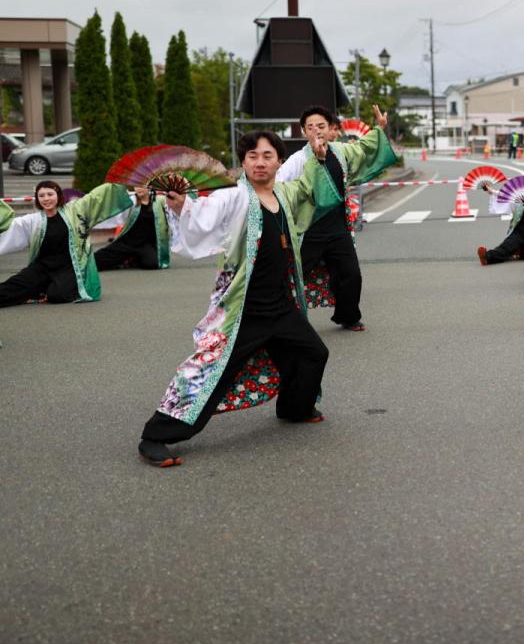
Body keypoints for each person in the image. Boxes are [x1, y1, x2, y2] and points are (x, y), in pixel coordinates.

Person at [137, 130, 343, 467]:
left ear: (279, 161)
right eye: (252, 157)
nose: (259, 163)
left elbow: (315, 192)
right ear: (243, 162)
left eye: (266, 156)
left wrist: (320, 157)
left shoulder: (284, 194)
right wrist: (183, 206)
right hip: (243, 309)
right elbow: (202, 213)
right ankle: (155, 436)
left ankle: (295, 409)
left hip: (280, 304)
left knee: (313, 352)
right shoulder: (234, 197)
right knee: (210, 370)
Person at [276, 104, 396, 331]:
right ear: (304, 132)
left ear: (331, 128)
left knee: (351, 275)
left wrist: (379, 128)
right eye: (310, 127)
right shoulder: (298, 160)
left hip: (338, 227)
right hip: (308, 228)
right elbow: (278, 184)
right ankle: (281, 319)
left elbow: (363, 147)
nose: (316, 131)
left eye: (321, 126)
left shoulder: (341, 151)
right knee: (292, 275)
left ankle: (348, 316)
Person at [0, 180, 131, 308]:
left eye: (50, 194)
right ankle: (40, 285)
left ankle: (44, 287)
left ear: (58, 195)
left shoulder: (74, 211)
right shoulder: (33, 220)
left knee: (57, 296)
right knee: (11, 287)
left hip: (69, 267)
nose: (46, 199)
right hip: (42, 266)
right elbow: (10, 225)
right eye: (41, 196)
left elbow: (95, 198)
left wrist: (118, 183)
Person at [94, 187, 171, 271]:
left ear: (149, 187)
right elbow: (117, 217)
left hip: (146, 244)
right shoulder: (131, 201)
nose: (139, 189)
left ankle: (132, 258)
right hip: (126, 242)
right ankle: (127, 258)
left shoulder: (160, 201)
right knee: (96, 262)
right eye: (136, 186)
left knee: (152, 264)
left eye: (142, 186)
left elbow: (171, 218)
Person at [477, 171, 524, 265]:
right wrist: (491, 191)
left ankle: (518, 250)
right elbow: (505, 195)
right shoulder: (518, 195)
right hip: (519, 229)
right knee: (506, 247)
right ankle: (487, 257)